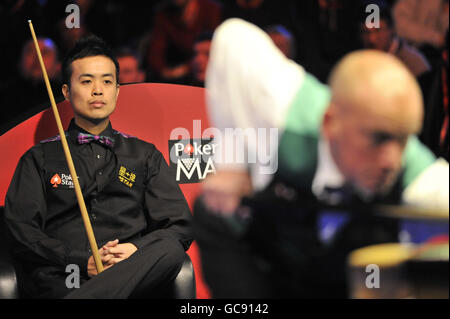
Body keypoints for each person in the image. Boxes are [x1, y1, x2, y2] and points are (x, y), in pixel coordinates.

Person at [193, 18, 449, 298]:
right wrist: (232, 162)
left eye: (402, 139)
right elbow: (233, 37)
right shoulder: (287, 103)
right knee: (212, 210)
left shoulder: (418, 172)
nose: (392, 160)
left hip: (340, 263)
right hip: (279, 246)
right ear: (330, 122)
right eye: (377, 138)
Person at [4, 35, 192, 299]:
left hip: (133, 275)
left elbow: (179, 226)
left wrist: (134, 250)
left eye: (107, 81)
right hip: (65, 276)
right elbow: (20, 231)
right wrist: (82, 260)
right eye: (87, 81)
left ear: (117, 90)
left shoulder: (144, 155)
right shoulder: (40, 157)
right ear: (67, 92)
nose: (97, 90)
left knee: (169, 249)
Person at [145, 0, 222, 83]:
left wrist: (187, 68)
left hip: (212, 73)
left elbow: (218, 49)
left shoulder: (211, 9)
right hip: (182, 78)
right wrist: (169, 73)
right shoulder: (164, 14)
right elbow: (155, 55)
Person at [359, 1, 431, 78]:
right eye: (366, 32)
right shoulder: (358, 62)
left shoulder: (414, 64)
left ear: (391, 29)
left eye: (378, 31)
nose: (372, 39)